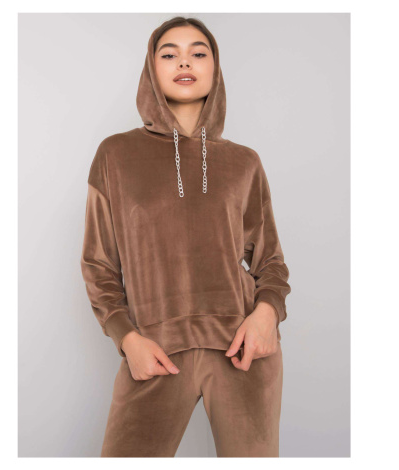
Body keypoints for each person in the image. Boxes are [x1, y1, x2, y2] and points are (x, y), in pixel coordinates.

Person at [80, 16, 291, 458]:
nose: (184, 62)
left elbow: (270, 261)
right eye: (169, 53)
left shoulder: (244, 162)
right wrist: (127, 338)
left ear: (215, 68)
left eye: (198, 52)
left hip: (241, 350)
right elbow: (98, 264)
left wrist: (267, 314)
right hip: (153, 351)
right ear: (151, 68)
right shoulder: (115, 155)